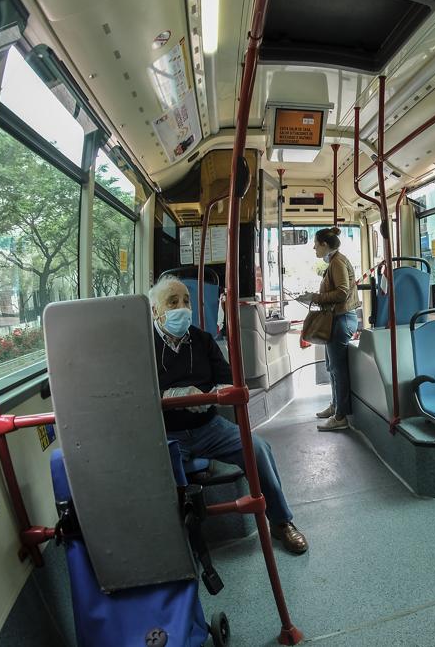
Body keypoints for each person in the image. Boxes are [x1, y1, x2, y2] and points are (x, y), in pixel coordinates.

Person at [149, 274, 308, 555]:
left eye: (186, 301)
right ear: (155, 310)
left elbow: (228, 380)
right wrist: (169, 397)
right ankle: (174, 541)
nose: (182, 308)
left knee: (258, 449)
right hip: (167, 433)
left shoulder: (203, 340)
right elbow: (136, 391)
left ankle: (281, 522)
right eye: (172, 302)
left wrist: (209, 396)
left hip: (209, 426)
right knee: (156, 474)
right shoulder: (144, 347)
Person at [303, 227, 360, 431]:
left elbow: (342, 293)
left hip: (342, 319)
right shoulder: (334, 262)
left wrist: (315, 298)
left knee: (338, 370)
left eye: (316, 244)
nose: (314, 247)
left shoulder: (337, 262)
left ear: (325, 245)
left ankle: (341, 416)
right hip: (336, 319)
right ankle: (336, 405)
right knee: (332, 367)